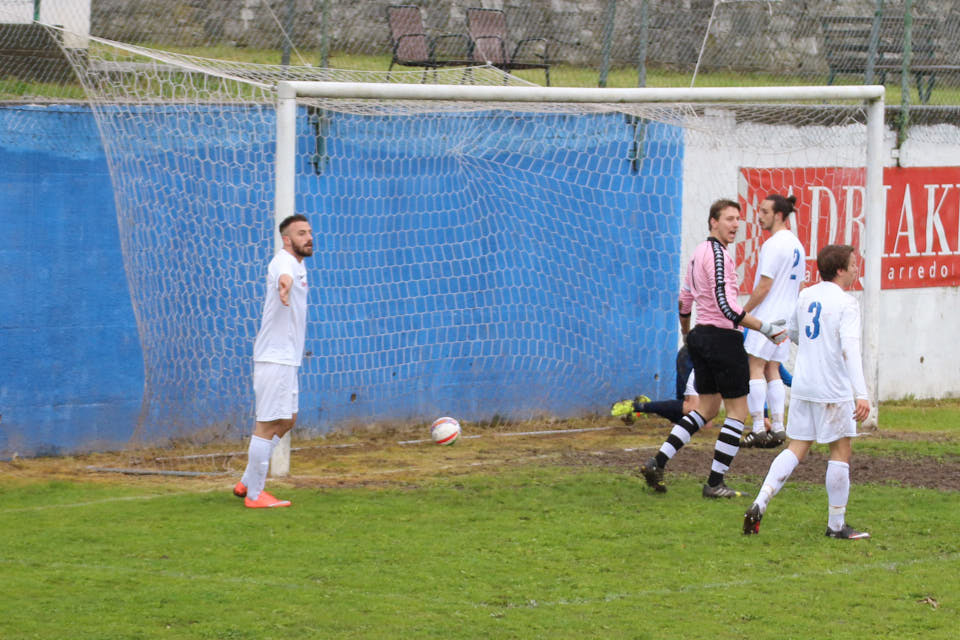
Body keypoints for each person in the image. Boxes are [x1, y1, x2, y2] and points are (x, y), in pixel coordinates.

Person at [623, 199, 787, 498]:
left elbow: (685, 299)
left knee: (707, 408)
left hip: (701, 336)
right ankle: (714, 483)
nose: (735, 225)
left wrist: (688, 334)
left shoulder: (698, 253)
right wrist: (765, 328)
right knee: (737, 412)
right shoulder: (719, 255)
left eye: (738, 219)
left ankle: (657, 461)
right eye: (729, 219)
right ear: (713, 221)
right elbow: (727, 307)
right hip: (722, 339)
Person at [743, 244, 871, 539]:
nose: (856, 269)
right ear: (840, 270)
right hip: (832, 389)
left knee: (796, 447)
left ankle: (760, 501)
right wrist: (861, 393)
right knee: (840, 450)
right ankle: (836, 525)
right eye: (853, 264)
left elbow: (793, 332)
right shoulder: (847, 304)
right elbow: (850, 349)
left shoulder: (805, 296)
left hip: (803, 385)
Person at [233, 214, 314, 508]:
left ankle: (247, 481)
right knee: (267, 425)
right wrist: (284, 285)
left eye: (309, 232)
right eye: (301, 233)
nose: (308, 237)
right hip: (275, 358)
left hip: (287, 360)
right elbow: (284, 275)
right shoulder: (283, 261)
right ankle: (255, 495)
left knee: (288, 419)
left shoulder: (299, 265)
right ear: (286, 239)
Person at [741, 194, 805, 449]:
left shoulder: (773, 244)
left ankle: (758, 427)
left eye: (765, 211)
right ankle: (778, 427)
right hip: (786, 315)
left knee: (755, 366)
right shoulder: (797, 245)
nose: (760, 216)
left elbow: (764, 285)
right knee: (773, 369)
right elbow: (798, 285)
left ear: (779, 215)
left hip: (768, 315)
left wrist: (743, 312)